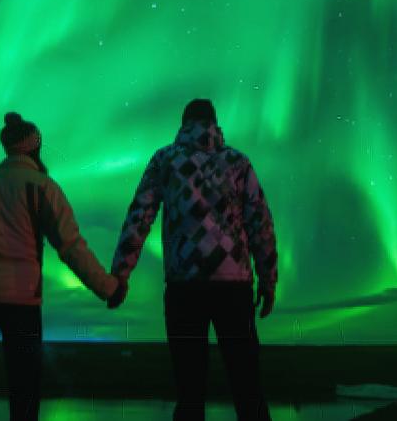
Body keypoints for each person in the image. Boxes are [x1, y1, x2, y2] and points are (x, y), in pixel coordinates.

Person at [0, 111, 127, 421]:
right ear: (35, 147)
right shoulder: (43, 187)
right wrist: (108, 288)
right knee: (24, 396)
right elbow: (71, 247)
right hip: (21, 303)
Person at [112, 98, 278, 421]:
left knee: (189, 392)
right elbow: (260, 222)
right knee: (247, 387)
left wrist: (121, 271)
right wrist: (268, 279)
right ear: (215, 123)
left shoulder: (165, 160)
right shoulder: (238, 163)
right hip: (234, 288)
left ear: (184, 123)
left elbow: (140, 216)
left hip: (184, 287)